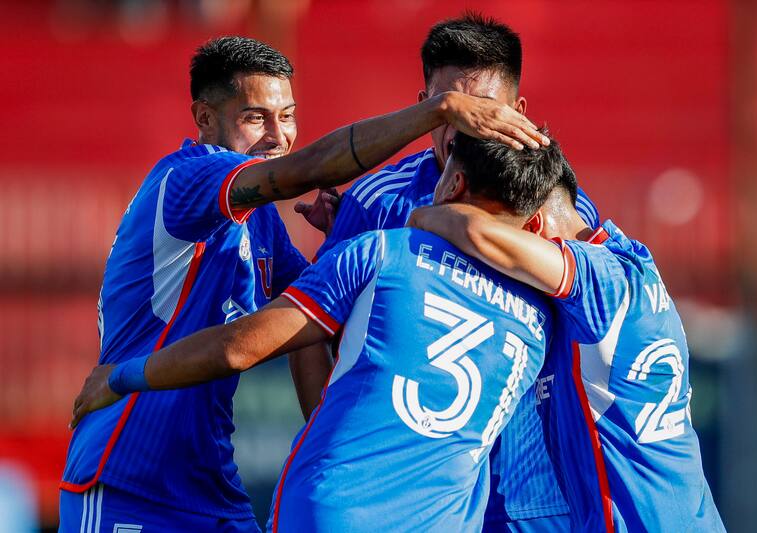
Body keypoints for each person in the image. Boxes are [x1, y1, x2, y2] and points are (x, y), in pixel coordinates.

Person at [58, 35, 544, 532]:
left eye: (287, 116)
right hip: (129, 474)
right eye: (256, 118)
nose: (278, 136)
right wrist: (438, 111)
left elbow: (314, 311)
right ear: (204, 118)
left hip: (210, 482)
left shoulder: (261, 222)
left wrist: (346, 236)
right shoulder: (188, 177)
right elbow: (302, 170)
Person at [297, 13, 594, 531]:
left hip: (525, 490)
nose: (466, 131)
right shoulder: (375, 201)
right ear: (424, 109)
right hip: (407, 493)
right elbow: (312, 330)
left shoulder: (559, 212)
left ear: (519, 112)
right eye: (452, 112)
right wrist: (331, 445)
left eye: (486, 112)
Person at [408, 134, 726, 532]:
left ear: (533, 227)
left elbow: (477, 233)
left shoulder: (602, 278)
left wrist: (422, 219)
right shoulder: (624, 268)